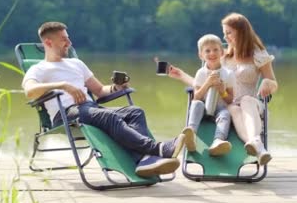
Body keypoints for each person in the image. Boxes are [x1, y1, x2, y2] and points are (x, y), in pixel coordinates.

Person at [22, 22, 187, 178]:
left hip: (89, 109)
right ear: (48, 43)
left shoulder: (76, 63)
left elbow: (100, 91)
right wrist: (63, 85)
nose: (69, 43)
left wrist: (117, 87)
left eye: (68, 38)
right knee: (108, 117)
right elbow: (29, 91)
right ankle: (157, 149)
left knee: (135, 112)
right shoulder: (39, 69)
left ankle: (143, 160)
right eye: (64, 39)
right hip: (65, 114)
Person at [169, 13, 278, 166]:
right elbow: (204, 84)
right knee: (232, 108)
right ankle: (258, 146)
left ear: (241, 32)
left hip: (252, 105)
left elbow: (273, 83)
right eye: (224, 33)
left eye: (228, 33)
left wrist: (267, 82)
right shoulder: (222, 55)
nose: (225, 38)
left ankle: (256, 143)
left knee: (246, 100)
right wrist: (181, 75)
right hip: (228, 105)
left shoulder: (258, 54)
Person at [182, 34, 235, 156]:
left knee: (226, 113)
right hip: (203, 109)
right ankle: (192, 134)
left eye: (216, 49)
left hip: (219, 109)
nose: (212, 53)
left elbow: (230, 100)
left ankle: (218, 140)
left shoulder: (228, 74)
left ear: (222, 52)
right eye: (207, 51)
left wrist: (222, 91)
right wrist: (207, 83)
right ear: (201, 55)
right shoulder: (201, 73)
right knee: (196, 103)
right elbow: (196, 97)